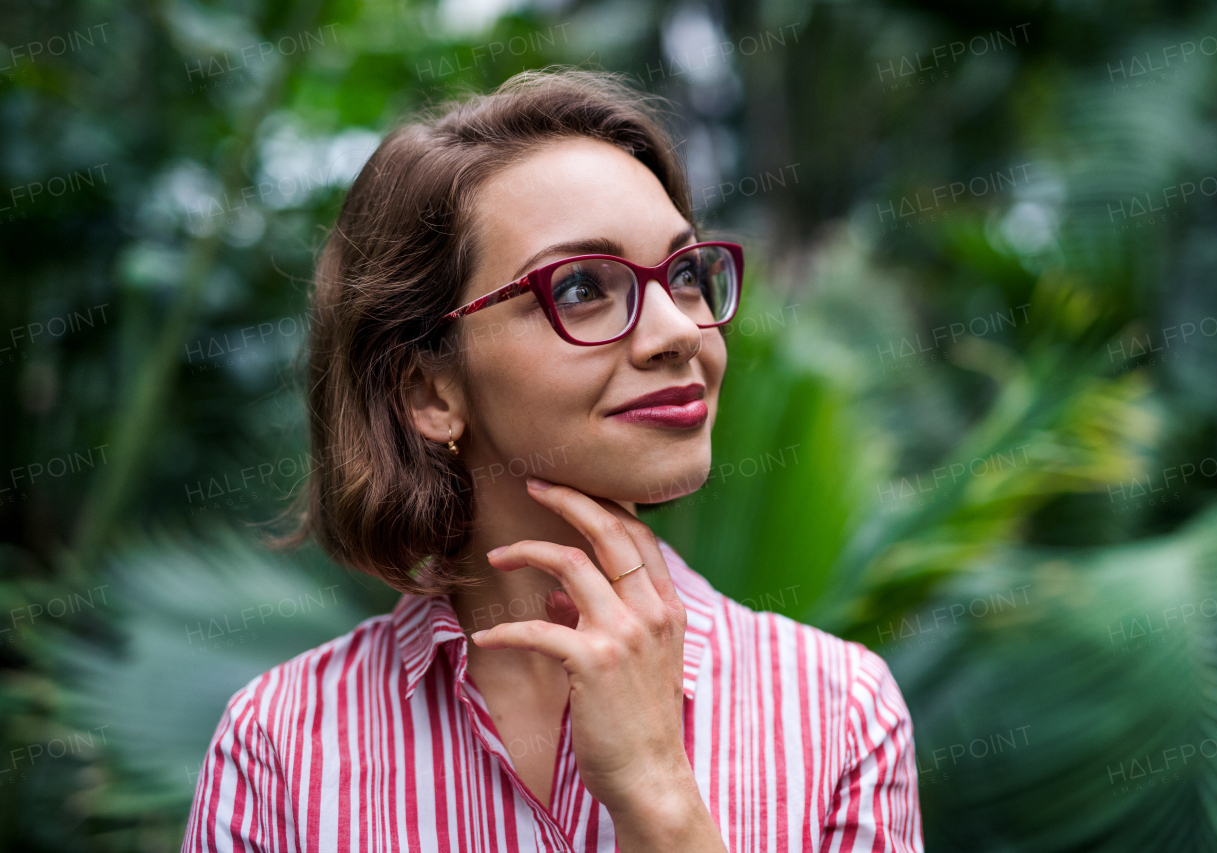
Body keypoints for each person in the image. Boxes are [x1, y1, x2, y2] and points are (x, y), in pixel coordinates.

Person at [182, 67, 921, 853]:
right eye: (580, 289)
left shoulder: (840, 711)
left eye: (683, 273)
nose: (678, 331)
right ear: (431, 389)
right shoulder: (282, 749)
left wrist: (658, 797)